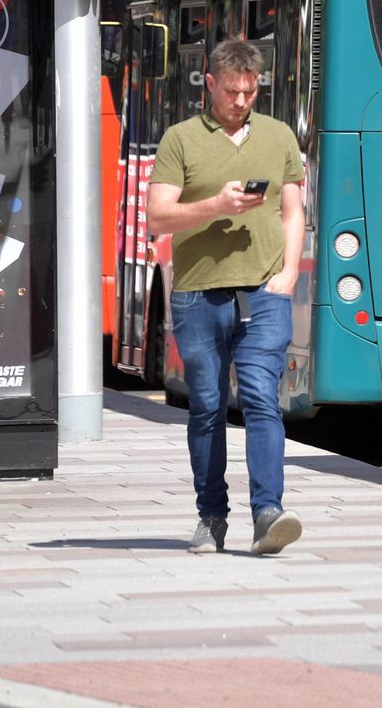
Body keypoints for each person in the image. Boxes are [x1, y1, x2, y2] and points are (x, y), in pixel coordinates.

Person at [145, 38, 309, 553]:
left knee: (261, 396)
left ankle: (268, 513)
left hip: (264, 291)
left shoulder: (279, 136)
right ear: (210, 83)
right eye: (232, 91)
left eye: (250, 91)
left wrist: (286, 276)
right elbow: (157, 217)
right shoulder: (181, 140)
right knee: (209, 407)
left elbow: (293, 211)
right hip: (198, 294)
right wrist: (217, 204)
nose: (241, 101)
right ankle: (211, 516)